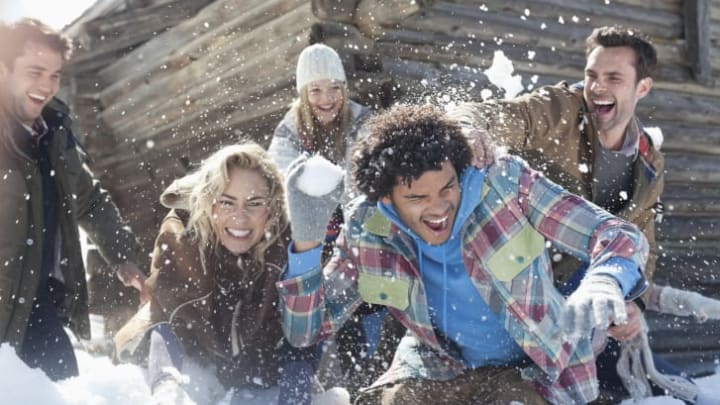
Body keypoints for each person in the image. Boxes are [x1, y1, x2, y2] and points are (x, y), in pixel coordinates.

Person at [278, 104, 650, 404]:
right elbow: (307, 330)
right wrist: (307, 243)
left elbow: (616, 234)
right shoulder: (366, 228)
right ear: (387, 199)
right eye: (417, 198)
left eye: (447, 188)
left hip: (537, 370)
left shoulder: (503, 183)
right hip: (440, 370)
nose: (439, 207)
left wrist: (606, 279)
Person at [449, 25, 714, 403]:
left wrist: (634, 304)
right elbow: (506, 115)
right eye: (591, 75)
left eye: (613, 78)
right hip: (521, 294)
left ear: (642, 88)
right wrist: (466, 127)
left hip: (586, 311)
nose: (597, 87)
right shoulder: (560, 111)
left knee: (682, 394)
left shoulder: (647, 163)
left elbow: (643, 241)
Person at [114, 143, 320, 405]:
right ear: (209, 203)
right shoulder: (182, 235)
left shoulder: (288, 240)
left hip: (264, 365)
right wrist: (166, 390)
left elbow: (303, 334)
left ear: (272, 207)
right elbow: (164, 317)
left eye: (254, 203)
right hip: (198, 354)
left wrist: (295, 396)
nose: (240, 218)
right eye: (226, 202)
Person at [0, 18, 147, 381]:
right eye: (35, 72)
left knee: (68, 388)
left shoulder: (54, 136)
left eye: (54, 75)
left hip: (38, 307)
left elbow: (90, 201)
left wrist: (122, 255)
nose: (47, 86)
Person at [269, 42, 403, 398]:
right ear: (302, 93)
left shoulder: (364, 122)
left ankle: (367, 379)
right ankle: (306, 377)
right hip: (312, 240)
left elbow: (366, 184)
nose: (326, 98)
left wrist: (348, 229)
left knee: (363, 316)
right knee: (312, 315)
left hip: (362, 237)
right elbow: (283, 180)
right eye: (315, 90)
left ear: (345, 88)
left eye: (334, 88)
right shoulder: (288, 132)